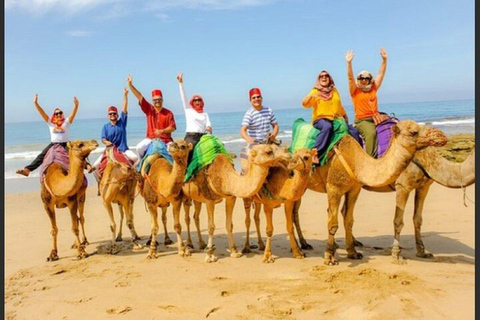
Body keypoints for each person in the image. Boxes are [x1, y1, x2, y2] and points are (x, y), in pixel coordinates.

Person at [302, 70, 362, 164]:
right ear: (318, 79)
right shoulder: (315, 91)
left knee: (354, 131)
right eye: (321, 76)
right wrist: (312, 96)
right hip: (320, 119)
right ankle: (315, 152)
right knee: (327, 127)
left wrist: (345, 116)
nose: (324, 77)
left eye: (326, 76)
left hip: (335, 119)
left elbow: (339, 104)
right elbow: (305, 104)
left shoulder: (334, 90)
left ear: (330, 78)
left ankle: (359, 154)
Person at [16, 94, 79, 177]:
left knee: (76, 155)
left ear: (62, 114)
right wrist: (36, 103)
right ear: (54, 115)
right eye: (56, 113)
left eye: (60, 113)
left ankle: (88, 166)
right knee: (41, 155)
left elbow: (73, 114)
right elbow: (42, 113)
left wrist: (76, 105)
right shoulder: (50, 122)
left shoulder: (66, 121)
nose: (58, 114)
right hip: (54, 144)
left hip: (66, 144)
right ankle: (27, 170)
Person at [346, 47, 388, 157]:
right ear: (358, 80)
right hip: (363, 120)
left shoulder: (373, 88)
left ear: (370, 80)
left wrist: (384, 60)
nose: (364, 80)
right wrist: (349, 63)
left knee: (392, 127)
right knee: (371, 134)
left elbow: (380, 75)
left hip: (376, 117)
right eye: (361, 78)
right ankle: (370, 159)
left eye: (366, 78)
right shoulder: (355, 91)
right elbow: (350, 78)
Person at [127, 75, 177, 159]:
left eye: (159, 99)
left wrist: (162, 131)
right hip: (151, 139)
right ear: (152, 101)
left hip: (166, 141)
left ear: (162, 100)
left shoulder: (168, 113)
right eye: (155, 100)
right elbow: (139, 96)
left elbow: (173, 127)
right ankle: (140, 167)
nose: (157, 101)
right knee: (139, 148)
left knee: (176, 152)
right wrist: (130, 85)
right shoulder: (149, 109)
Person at [90, 88, 138, 173]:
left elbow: (124, 109)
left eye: (114, 113)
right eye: (110, 114)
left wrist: (125, 96)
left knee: (136, 158)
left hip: (123, 150)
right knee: (95, 167)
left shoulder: (122, 122)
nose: (112, 115)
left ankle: (134, 175)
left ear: (117, 115)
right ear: (108, 116)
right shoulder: (105, 127)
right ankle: (100, 184)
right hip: (110, 151)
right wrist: (106, 142)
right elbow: (103, 139)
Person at [176, 72, 212, 153]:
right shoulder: (188, 110)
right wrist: (180, 83)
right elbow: (183, 97)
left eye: (199, 100)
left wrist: (209, 128)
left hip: (203, 137)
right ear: (193, 102)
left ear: (201, 102)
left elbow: (208, 125)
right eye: (195, 100)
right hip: (191, 137)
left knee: (216, 148)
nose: (197, 102)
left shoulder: (205, 114)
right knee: (186, 154)